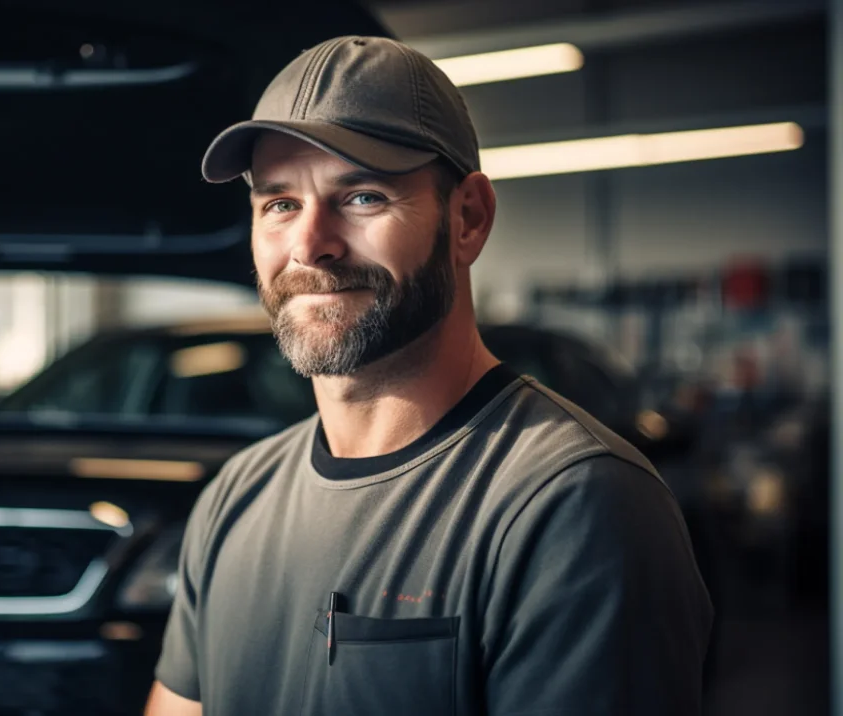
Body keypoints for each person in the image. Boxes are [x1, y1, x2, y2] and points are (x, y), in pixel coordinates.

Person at [144, 35, 713, 716]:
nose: (310, 245)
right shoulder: (236, 497)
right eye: (280, 204)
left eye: (362, 197)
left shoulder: (574, 507)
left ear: (468, 219)